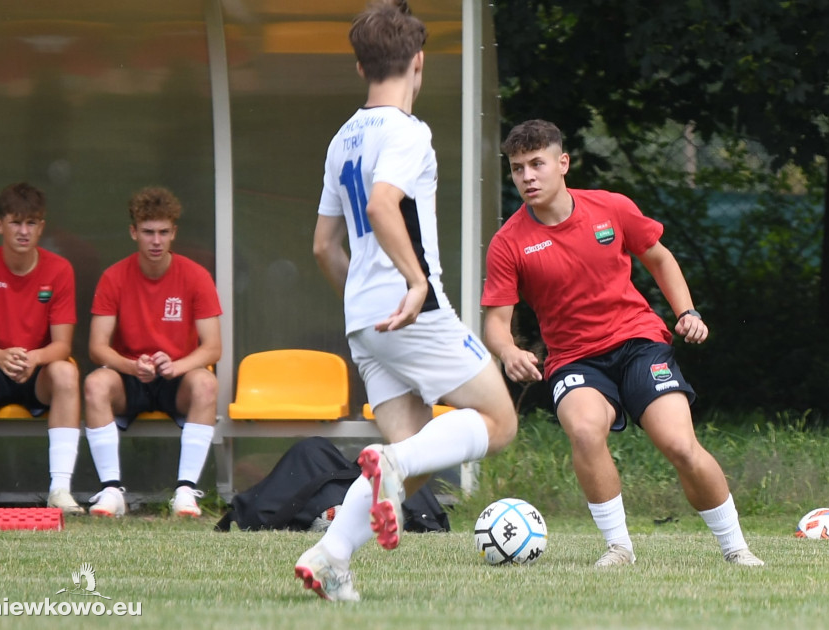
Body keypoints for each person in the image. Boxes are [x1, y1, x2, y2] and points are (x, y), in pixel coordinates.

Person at [297, 0, 517, 602]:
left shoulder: (342, 138)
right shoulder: (408, 132)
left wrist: (365, 304)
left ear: (360, 66)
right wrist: (416, 285)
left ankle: (331, 555)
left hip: (364, 322)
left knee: (411, 461)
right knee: (499, 423)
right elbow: (381, 204)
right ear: (419, 62)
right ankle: (383, 471)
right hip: (412, 309)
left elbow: (323, 246)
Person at [482, 119, 765, 568]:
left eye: (537, 164)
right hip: (575, 360)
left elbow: (659, 257)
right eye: (517, 169)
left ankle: (736, 548)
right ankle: (619, 548)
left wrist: (687, 312)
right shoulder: (509, 242)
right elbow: (496, 321)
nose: (528, 177)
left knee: (679, 444)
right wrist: (509, 351)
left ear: (563, 163)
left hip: (639, 342)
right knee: (585, 428)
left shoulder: (610, 208)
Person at [83, 186, 221, 518]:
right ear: (134, 232)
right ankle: (111, 491)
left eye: (163, 232)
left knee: (206, 383)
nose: (156, 240)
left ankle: (185, 492)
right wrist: (132, 366)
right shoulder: (114, 277)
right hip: (131, 377)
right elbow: (97, 347)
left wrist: (177, 365)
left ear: (174, 232)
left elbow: (213, 347)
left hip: (177, 378)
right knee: (95, 384)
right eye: (148, 232)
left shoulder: (196, 276)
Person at [0, 182, 83, 515]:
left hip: (37, 372)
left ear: (42, 226)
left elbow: (62, 345)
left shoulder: (59, 270)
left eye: (32, 223)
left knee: (65, 371)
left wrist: (35, 358)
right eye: (16, 222)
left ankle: (60, 489)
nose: (24, 231)